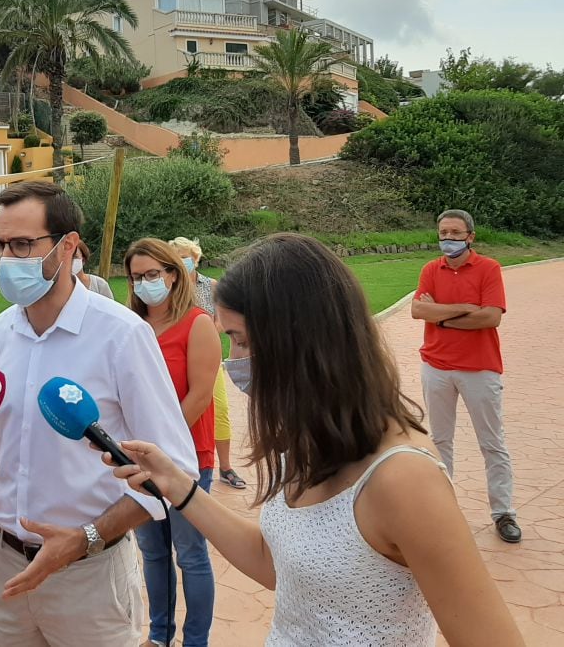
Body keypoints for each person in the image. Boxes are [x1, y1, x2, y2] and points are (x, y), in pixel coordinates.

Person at [101, 234, 522, 647]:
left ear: (301, 341)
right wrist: (179, 487)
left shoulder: (404, 479)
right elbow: (277, 564)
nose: (234, 360)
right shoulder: (305, 445)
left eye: (243, 340)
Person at [0, 181, 198, 647]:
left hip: (90, 577)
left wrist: (85, 539)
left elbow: (175, 468)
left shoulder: (122, 335)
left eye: (22, 244)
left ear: (68, 246)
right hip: (5, 567)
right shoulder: (0, 331)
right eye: (0, 245)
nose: (8, 259)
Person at [124, 238, 222, 647]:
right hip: (140, 463)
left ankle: (194, 640)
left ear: (172, 274)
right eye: (137, 277)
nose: (146, 283)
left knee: (191, 553)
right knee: (153, 552)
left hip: (186, 459)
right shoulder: (131, 328)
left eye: (153, 274)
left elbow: (200, 396)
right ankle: (160, 635)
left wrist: (162, 447)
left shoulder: (197, 323)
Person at [410, 209, 519, 543]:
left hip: (480, 369)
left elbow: (490, 318)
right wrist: (464, 309)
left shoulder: (489, 268)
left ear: (470, 236)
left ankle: (503, 513)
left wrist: (439, 315)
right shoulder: (431, 269)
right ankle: (443, 512)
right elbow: (417, 310)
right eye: (444, 232)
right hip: (437, 367)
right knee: (440, 441)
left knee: (492, 442)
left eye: (456, 233)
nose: (449, 239)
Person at [169, 236, 246, 491]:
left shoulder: (210, 286)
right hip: (181, 357)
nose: (182, 261)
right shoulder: (171, 286)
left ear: (195, 258)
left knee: (219, 410)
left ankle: (225, 466)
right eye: (176, 256)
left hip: (207, 357)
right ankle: (186, 461)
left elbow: (222, 320)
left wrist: (204, 330)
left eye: (185, 256)